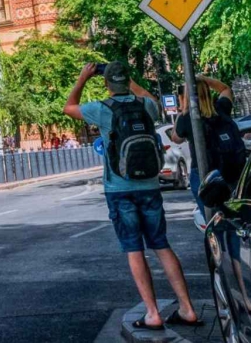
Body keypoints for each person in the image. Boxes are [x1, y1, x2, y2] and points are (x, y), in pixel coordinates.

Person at [67, 61, 200, 331]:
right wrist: (128, 79)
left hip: (119, 189)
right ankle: (187, 308)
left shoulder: (102, 109)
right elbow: (151, 98)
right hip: (149, 186)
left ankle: (152, 313)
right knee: (161, 244)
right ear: (127, 81)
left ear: (107, 84)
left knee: (134, 249)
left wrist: (82, 78)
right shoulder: (146, 105)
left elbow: (69, 107)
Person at [168, 75, 243, 209]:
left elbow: (176, 138)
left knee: (211, 213)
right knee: (233, 211)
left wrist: (183, 108)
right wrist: (202, 78)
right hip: (229, 170)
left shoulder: (187, 118)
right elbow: (225, 89)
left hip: (202, 171)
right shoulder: (221, 108)